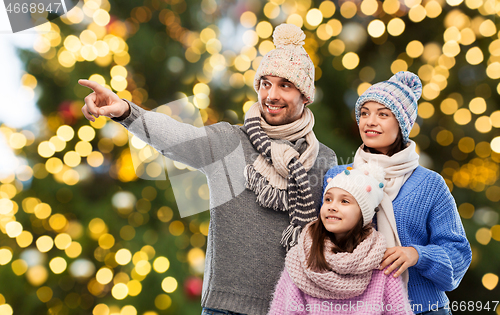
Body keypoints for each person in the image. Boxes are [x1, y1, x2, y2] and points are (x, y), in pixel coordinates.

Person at [79, 23, 337, 315]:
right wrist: (126, 111)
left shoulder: (324, 160)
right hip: (224, 308)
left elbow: (340, 232)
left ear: (305, 95)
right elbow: (177, 137)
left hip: (293, 309)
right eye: (265, 83)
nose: (271, 95)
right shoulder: (231, 141)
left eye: (285, 85)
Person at [323, 71, 471, 315]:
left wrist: (417, 255)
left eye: (383, 114)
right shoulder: (338, 178)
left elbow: (458, 255)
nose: (370, 121)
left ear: (402, 125)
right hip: (355, 307)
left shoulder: (430, 184)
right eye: (364, 113)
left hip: (423, 309)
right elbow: (321, 243)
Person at [268, 163, 413, 315]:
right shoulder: (301, 258)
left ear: (364, 215)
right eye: (328, 200)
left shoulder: (381, 264)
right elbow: (281, 311)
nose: (332, 206)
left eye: (344, 201)